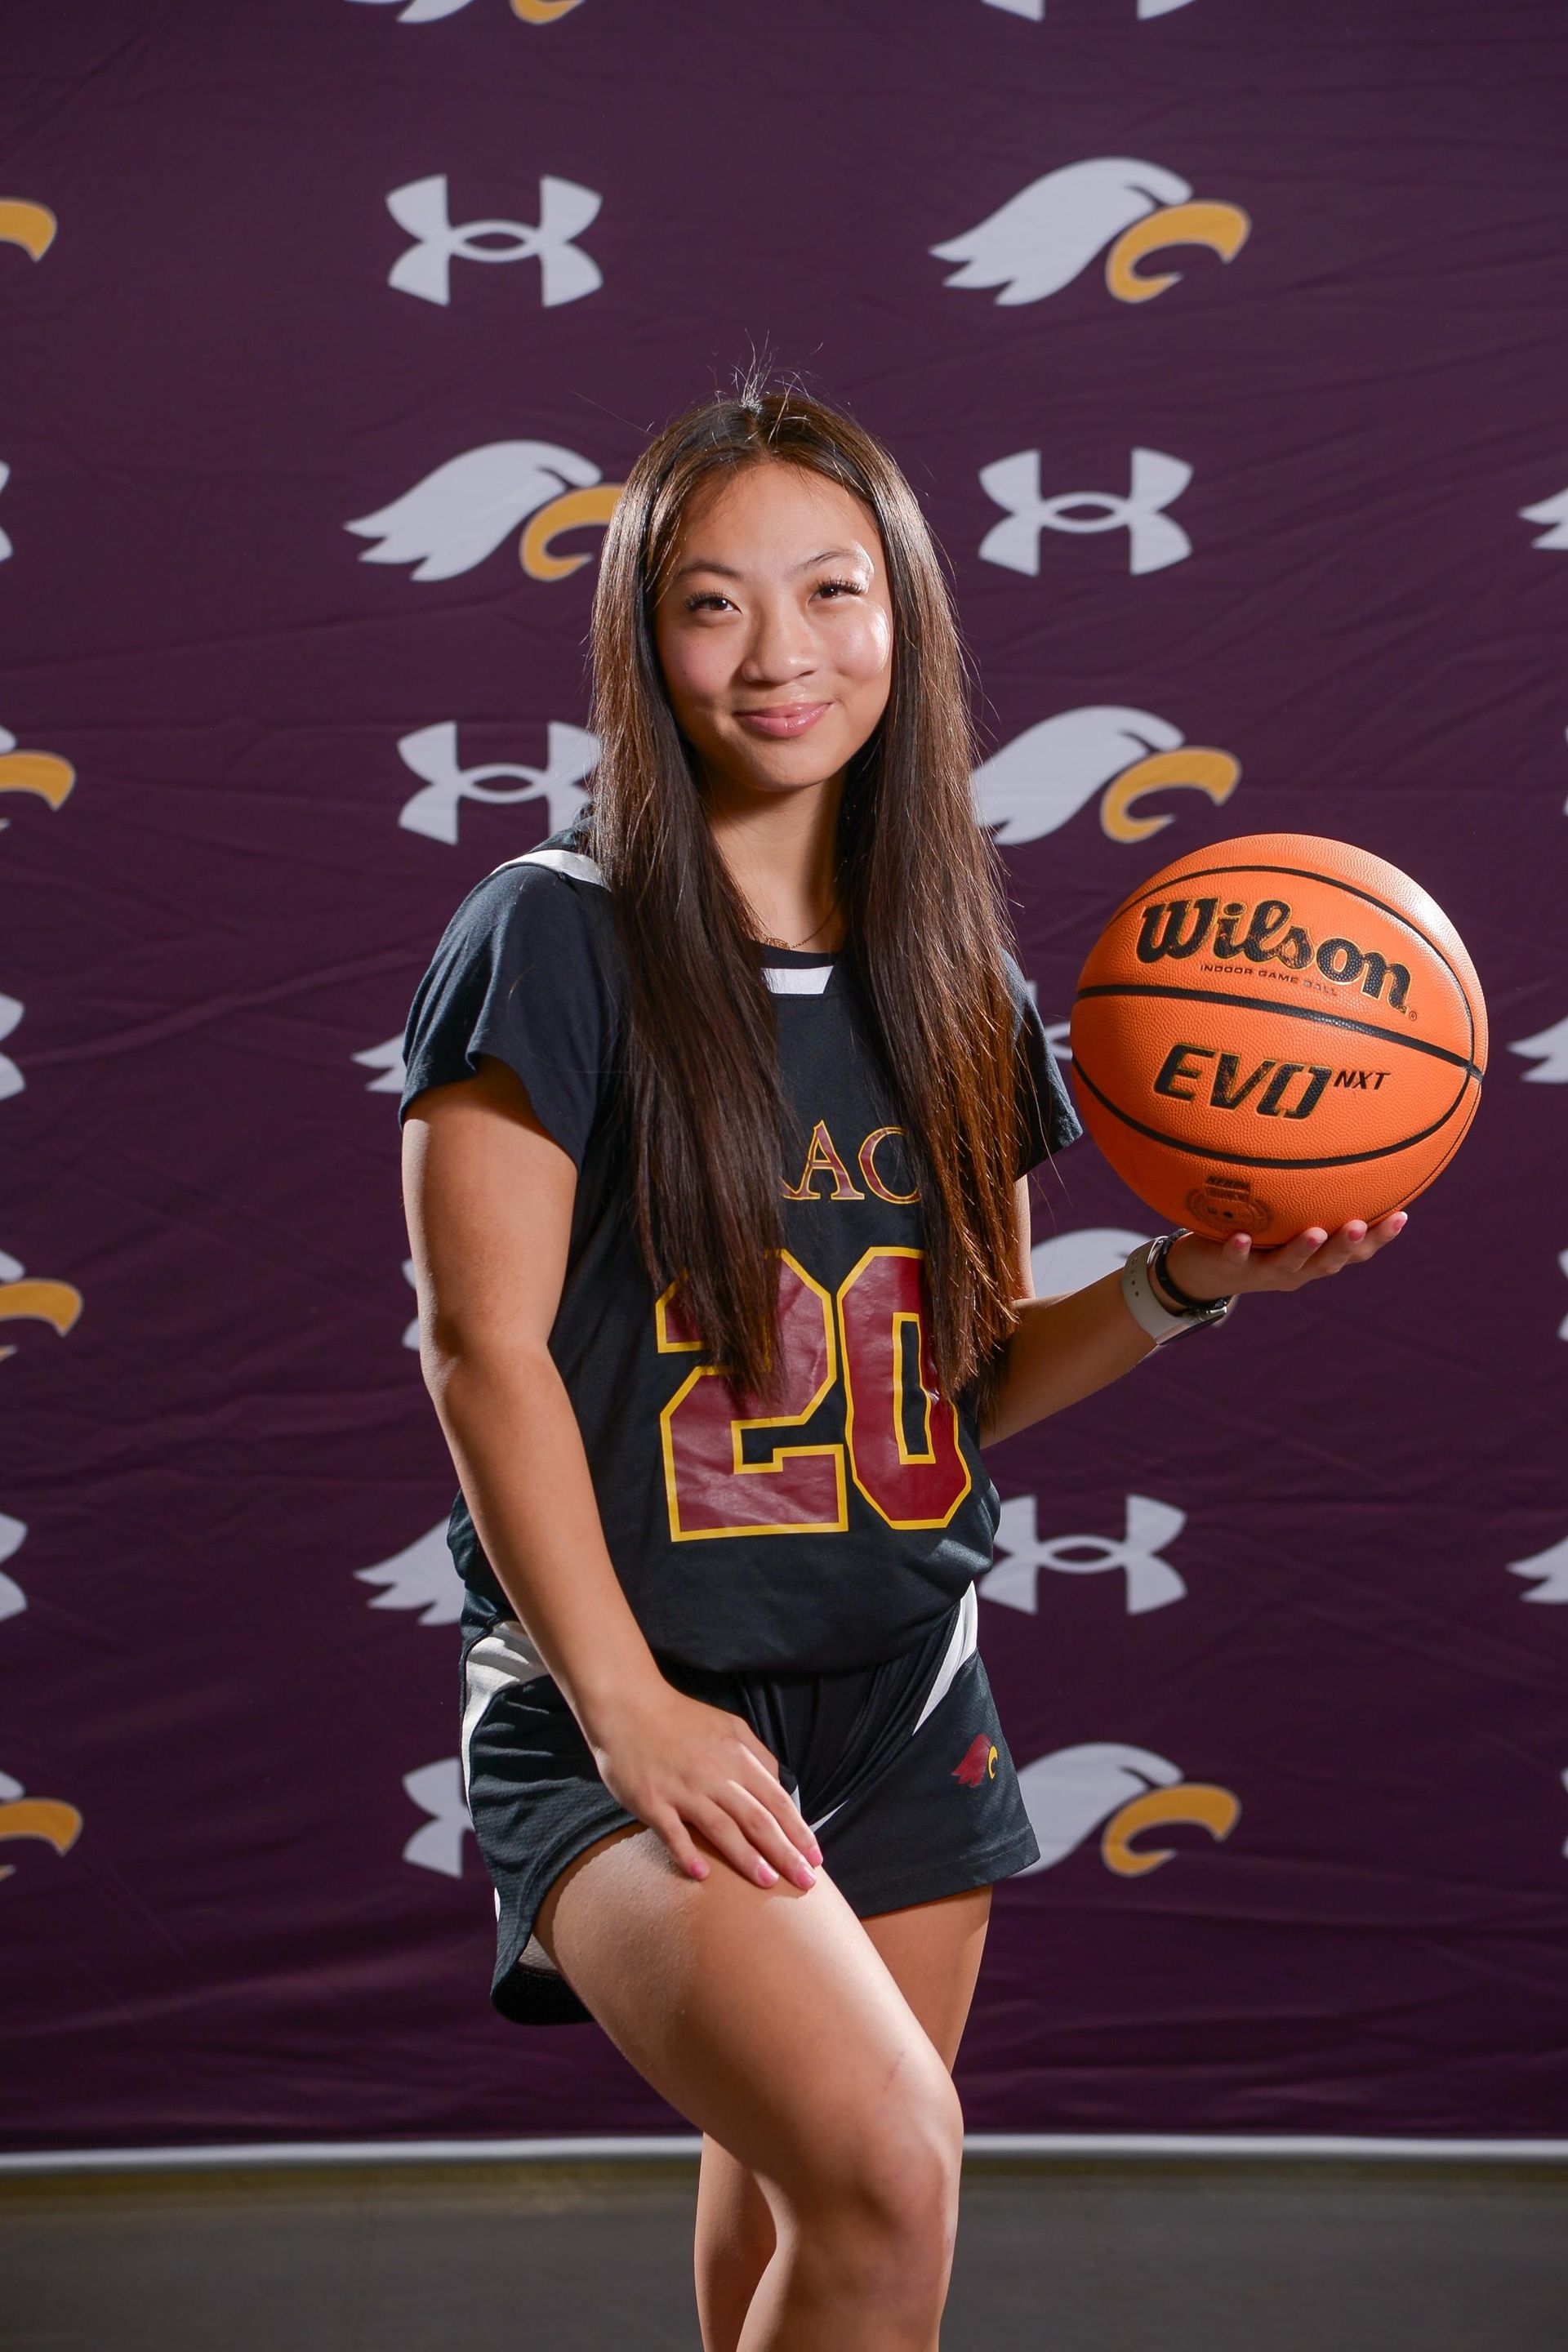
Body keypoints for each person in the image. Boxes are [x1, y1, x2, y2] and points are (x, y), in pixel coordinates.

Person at [397, 374, 1406, 2352]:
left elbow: (957, 1386)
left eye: (833, 591)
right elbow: (478, 1350)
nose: (782, 653)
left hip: (906, 1691)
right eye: (711, 601)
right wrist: (630, 1714)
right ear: (641, 638)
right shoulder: (552, 932)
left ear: (908, 619)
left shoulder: (963, 979)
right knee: (891, 2168)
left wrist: (1190, 1280)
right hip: (644, 1696)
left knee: (804, 2211)